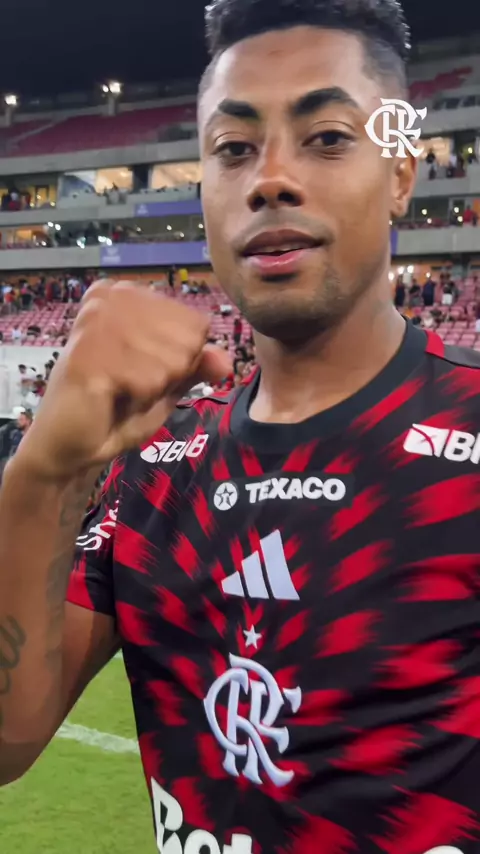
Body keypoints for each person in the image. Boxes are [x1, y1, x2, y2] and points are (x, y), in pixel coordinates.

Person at [2, 2, 480, 853]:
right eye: (232, 148)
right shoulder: (156, 458)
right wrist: (45, 472)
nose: (270, 179)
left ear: (401, 172)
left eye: (326, 137)